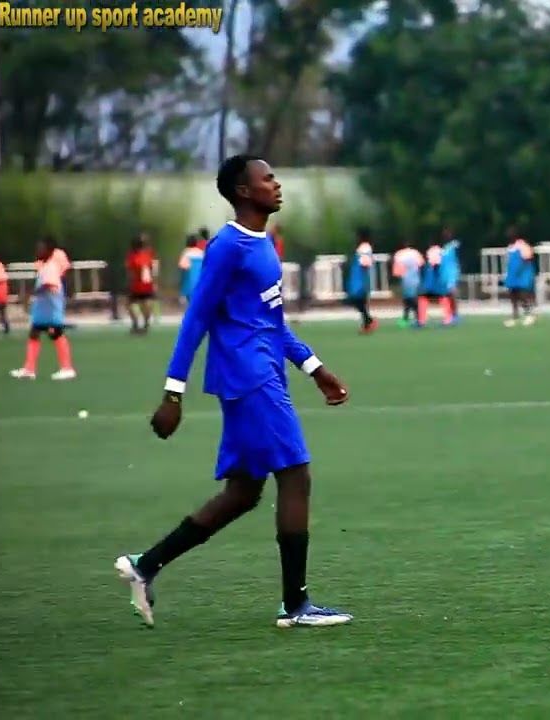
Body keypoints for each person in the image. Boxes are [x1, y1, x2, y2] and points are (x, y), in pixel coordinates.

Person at [114, 155, 352, 629]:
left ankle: (146, 565)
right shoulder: (227, 247)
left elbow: (273, 324)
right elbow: (197, 317)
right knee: (296, 475)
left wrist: (314, 368)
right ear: (244, 192)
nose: (277, 184)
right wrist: (173, 392)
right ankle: (296, 604)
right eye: (267, 179)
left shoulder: (263, 245)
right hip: (248, 376)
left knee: (243, 493)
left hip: (263, 371)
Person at [10, 238, 76, 381]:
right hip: (43, 310)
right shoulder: (45, 265)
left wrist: (30, 294)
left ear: (49, 251)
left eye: (40, 248)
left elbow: (48, 285)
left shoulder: (51, 266)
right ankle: (29, 368)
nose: (37, 251)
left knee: (56, 335)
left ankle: (67, 368)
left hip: (50, 310)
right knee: (35, 334)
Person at [502, 228, 536, 327]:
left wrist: (522, 271)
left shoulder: (522, 245)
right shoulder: (510, 247)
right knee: (513, 296)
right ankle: (514, 316)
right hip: (512, 276)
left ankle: (529, 315)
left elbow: (528, 258)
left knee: (523, 296)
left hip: (521, 275)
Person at [345, 229, 376, 334]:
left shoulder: (364, 247)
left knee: (356, 299)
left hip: (359, 277)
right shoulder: (364, 247)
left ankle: (368, 321)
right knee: (359, 301)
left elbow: (365, 262)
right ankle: (367, 322)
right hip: (358, 276)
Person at [126, 234, 157, 335]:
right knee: (142, 304)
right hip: (142, 283)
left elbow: (130, 270)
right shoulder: (147, 253)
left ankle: (140, 324)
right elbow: (154, 267)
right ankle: (142, 324)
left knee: (136, 304)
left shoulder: (139, 254)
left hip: (141, 283)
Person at [419, 242, 456, 327]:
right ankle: (448, 319)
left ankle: (422, 321)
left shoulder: (433, 253)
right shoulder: (442, 252)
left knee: (424, 299)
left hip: (434, 283)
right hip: (439, 282)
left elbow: (435, 263)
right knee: (443, 299)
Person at [391, 240, 424, 327]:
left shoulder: (399, 254)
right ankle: (411, 318)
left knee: (408, 299)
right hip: (415, 278)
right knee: (411, 299)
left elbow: (397, 271)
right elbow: (421, 264)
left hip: (405, 279)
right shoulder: (415, 253)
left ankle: (415, 319)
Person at [440, 227, 462, 320]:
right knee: (447, 295)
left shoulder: (454, 244)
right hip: (444, 273)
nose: (446, 235)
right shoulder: (443, 248)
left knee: (452, 292)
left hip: (452, 272)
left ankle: (456, 314)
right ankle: (450, 314)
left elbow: (460, 253)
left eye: (448, 233)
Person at [178, 235, 205, 307]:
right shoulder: (201, 253)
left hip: (189, 283)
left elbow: (182, 265)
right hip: (200, 282)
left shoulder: (186, 252)